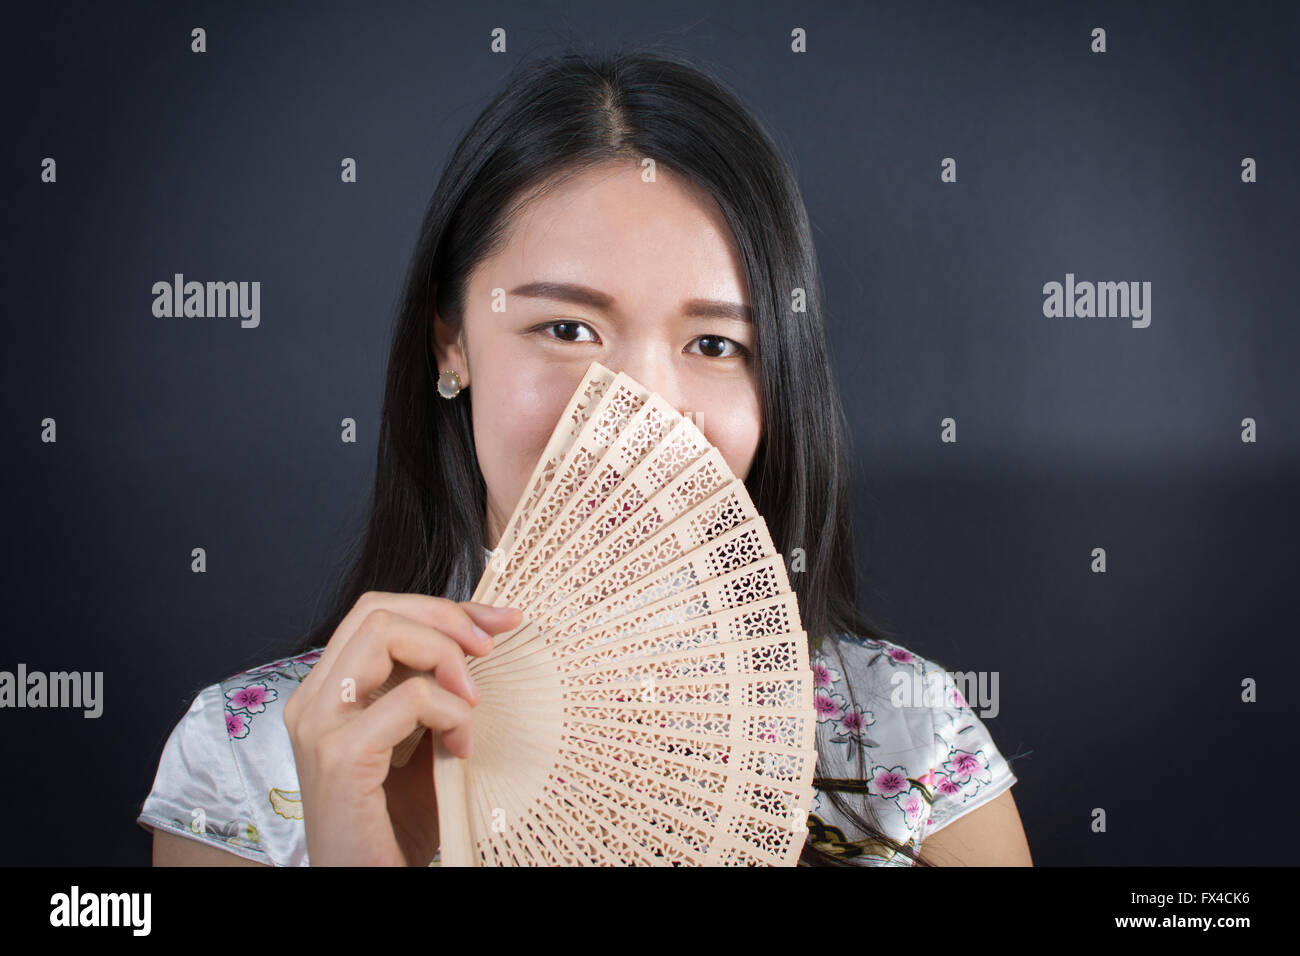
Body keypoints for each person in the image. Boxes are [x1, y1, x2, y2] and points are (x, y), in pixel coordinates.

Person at [136, 46, 1031, 867]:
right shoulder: (250, 764)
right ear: (452, 345)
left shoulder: (906, 739)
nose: (636, 413)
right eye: (565, 328)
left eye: (716, 344)